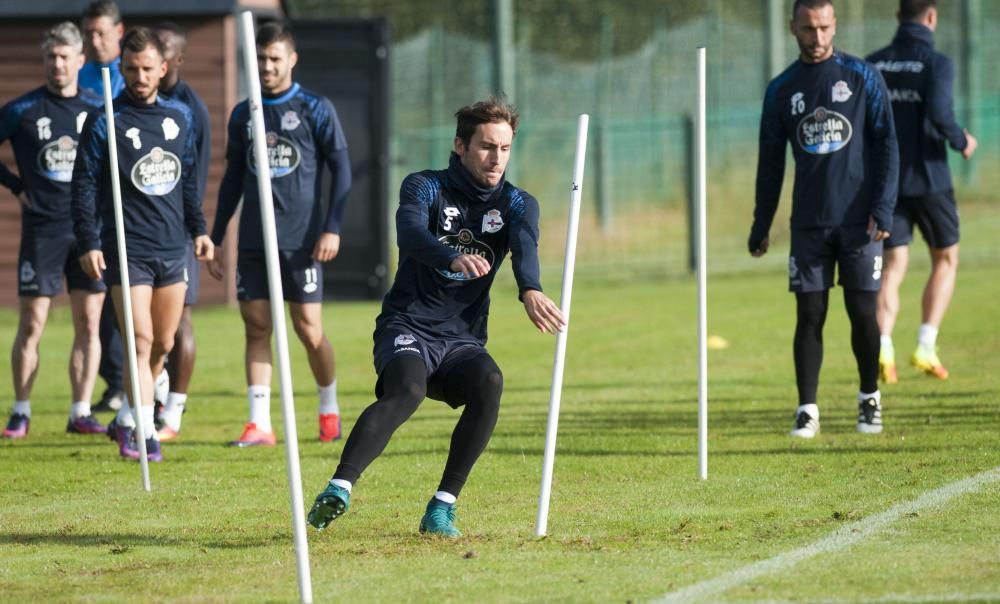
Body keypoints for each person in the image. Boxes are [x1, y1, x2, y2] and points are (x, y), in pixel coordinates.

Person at [307, 98, 565, 537]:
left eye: (504, 148)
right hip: (407, 326)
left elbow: (524, 246)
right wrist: (451, 255)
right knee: (407, 389)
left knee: (490, 382)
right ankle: (339, 488)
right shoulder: (424, 186)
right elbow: (409, 232)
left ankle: (442, 507)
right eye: (486, 146)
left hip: (461, 339)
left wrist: (530, 289)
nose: (496, 158)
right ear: (460, 145)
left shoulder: (519, 203)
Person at [748, 0, 899, 438]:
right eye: (809, 29)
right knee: (810, 312)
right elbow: (771, 164)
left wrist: (883, 207)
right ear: (792, 27)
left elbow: (887, 145)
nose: (818, 38)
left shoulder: (863, 77)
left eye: (825, 28)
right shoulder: (781, 90)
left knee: (862, 312)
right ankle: (807, 409)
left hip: (860, 223)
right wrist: (762, 225)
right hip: (809, 224)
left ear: (835, 25)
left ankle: (869, 399)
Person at [71, 27, 213, 461]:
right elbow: (84, 186)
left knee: (163, 344)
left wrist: (200, 230)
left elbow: (188, 180)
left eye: (147, 69)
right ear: (121, 70)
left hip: (172, 248)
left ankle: (130, 414)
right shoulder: (105, 121)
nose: (139, 76)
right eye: (130, 69)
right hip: (126, 248)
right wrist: (89, 241)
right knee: (140, 338)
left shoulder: (180, 117)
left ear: (163, 68)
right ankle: (145, 430)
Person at [208, 22, 352, 447]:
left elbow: (342, 171)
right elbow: (233, 178)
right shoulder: (243, 112)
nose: (267, 67)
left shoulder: (314, 107)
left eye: (275, 59)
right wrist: (217, 236)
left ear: (291, 60)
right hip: (254, 240)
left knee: (307, 329)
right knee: (256, 327)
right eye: (261, 59)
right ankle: (260, 424)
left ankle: (328, 406)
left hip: (303, 240)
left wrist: (332, 228)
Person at [0, 23, 107, 439]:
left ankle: (80, 410)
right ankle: (21, 410)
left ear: (81, 61)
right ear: (44, 60)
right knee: (32, 322)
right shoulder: (23, 110)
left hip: (88, 233)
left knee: (90, 321)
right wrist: (15, 186)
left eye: (65, 57)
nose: (58, 64)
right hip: (42, 231)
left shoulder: (99, 108)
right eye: (52, 57)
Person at [867, 0, 978, 384]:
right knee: (945, 259)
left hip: (887, 186)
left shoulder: (874, 64)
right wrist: (960, 139)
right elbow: (939, 112)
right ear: (931, 17)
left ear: (899, 18)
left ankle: (882, 345)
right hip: (929, 180)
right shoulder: (937, 63)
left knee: (892, 267)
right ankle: (925, 345)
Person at [150, 22, 212, 441]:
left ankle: (174, 411)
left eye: (166, 51)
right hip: (140, 234)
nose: (160, 59)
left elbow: (196, 174)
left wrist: (195, 228)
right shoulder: (137, 102)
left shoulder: (190, 109)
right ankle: (150, 400)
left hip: (178, 230)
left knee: (179, 323)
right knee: (146, 328)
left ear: (177, 59)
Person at [79, 0, 127, 414]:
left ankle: (149, 383)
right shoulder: (79, 76)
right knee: (101, 299)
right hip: (92, 203)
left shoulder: (134, 77)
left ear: (119, 31)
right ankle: (115, 382)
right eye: (88, 33)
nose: (95, 41)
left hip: (135, 207)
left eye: (101, 32)